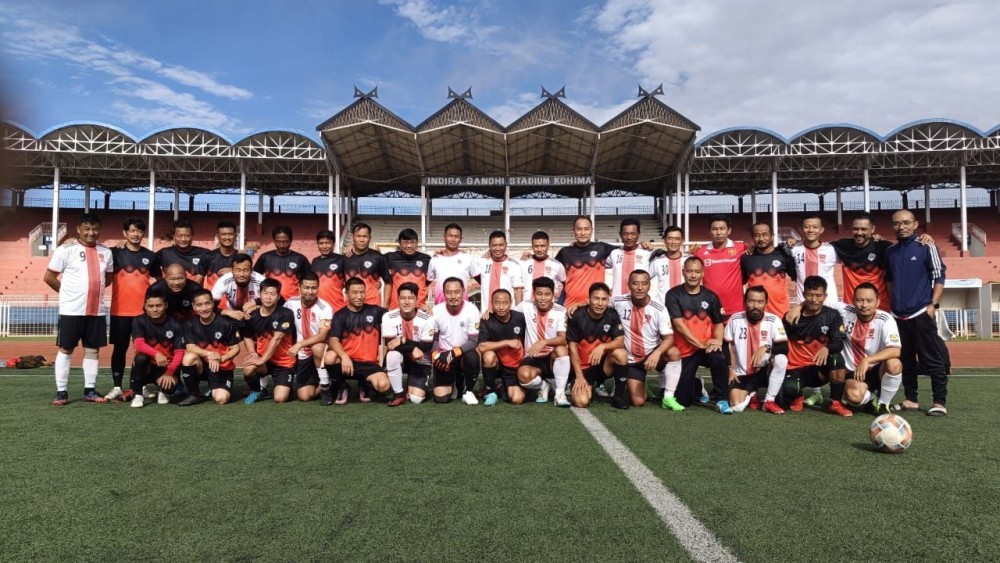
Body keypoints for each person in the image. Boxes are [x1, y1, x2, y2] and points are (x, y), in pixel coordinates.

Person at [44, 213, 114, 405]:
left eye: (95, 229)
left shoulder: (106, 252)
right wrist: (66, 293)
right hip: (71, 311)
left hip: (96, 311)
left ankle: (89, 390)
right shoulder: (65, 249)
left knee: (93, 350)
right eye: (87, 229)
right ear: (79, 230)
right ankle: (61, 391)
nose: (91, 233)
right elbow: (49, 277)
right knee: (66, 348)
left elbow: (108, 279)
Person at [885, 209, 949, 416]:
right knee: (906, 359)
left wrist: (933, 305)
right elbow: (888, 281)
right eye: (897, 223)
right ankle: (911, 399)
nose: (901, 226)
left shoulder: (926, 246)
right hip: (898, 315)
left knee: (932, 359)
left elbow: (939, 277)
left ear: (915, 224)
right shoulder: (891, 252)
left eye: (905, 222)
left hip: (920, 312)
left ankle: (939, 402)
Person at [664, 258, 730, 412]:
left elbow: (719, 323)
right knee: (683, 400)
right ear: (683, 272)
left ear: (702, 273)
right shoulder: (673, 295)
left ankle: (722, 399)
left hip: (706, 348)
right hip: (686, 351)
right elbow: (679, 325)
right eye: (689, 271)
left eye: (697, 272)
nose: (693, 275)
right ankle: (698, 385)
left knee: (719, 358)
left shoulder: (711, 296)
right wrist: (699, 344)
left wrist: (718, 341)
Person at [107, 217, 160, 401]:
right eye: (132, 231)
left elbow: (159, 282)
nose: (136, 234)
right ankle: (116, 386)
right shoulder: (114, 253)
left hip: (142, 314)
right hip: (119, 311)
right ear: (125, 233)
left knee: (143, 352)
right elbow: (94, 249)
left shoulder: (151, 256)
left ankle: (141, 386)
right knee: (119, 349)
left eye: (139, 231)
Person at [780, 276, 849, 415]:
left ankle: (835, 403)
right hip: (796, 368)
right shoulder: (791, 317)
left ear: (825, 296)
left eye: (818, 295)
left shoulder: (832, 315)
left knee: (836, 358)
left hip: (819, 368)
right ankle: (797, 395)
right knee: (788, 391)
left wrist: (827, 348)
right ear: (804, 294)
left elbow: (838, 342)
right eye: (810, 295)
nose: (814, 299)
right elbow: (780, 343)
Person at [612, 270, 678, 410]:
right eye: (635, 283)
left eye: (644, 283)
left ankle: (668, 397)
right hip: (632, 361)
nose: (640, 288)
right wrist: (578, 305)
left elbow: (669, 338)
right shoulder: (618, 301)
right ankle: (642, 385)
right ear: (628, 285)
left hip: (652, 354)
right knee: (638, 402)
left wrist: (657, 353)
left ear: (649, 286)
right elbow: (597, 303)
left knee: (674, 353)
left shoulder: (659, 309)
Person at [324, 277, 394, 405]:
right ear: (346, 293)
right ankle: (341, 385)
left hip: (369, 364)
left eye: (362, 292)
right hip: (348, 363)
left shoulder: (376, 311)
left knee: (383, 386)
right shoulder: (340, 315)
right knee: (329, 357)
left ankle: (365, 385)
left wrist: (420, 310)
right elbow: (333, 340)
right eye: (355, 292)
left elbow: (396, 316)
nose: (359, 296)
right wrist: (344, 356)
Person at [724, 286, 789, 414]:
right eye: (751, 301)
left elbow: (784, 347)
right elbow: (725, 345)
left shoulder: (774, 320)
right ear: (745, 301)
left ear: (766, 303)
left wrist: (766, 347)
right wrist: (729, 368)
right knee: (737, 406)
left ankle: (769, 401)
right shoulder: (735, 319)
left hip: (764, 372)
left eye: (760, 302)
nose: (755, 305)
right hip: (742, 374)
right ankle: (752, 393)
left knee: (781, 359)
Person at [840, 283, 903, 413]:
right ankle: (872, 398)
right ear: (853, 301)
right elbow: (819, 300)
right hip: (853, 372)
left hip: (877, 371)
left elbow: (895, 350)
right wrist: (799, 307)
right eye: (859, 300)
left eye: (869, 301)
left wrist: (867, 360)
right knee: (854, 397)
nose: (864, 305)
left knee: (894, 364)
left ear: (877, 302)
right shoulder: (845, 311)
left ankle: (883, 404)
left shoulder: (886, 319)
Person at [567, 282, 628, 408]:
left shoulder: (612, 314)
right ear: (588, 300)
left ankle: (618, 397)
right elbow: (572, 348)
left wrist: (603, 346)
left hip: (602, 366)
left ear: (608, 301)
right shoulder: (577, 316)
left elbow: (620, 341)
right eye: (596, 298)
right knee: (582, 402)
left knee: (620, 353)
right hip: (583, 368)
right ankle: (588, 386)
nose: (600, 303)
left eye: (604, 299)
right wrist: (578, 376)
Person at [178, 289, 242, 406]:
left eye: (207, 303)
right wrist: (210, 354)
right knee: (188, 357)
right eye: (199, 305)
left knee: (221, 399)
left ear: (213, 303)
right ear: (194, 306)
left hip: (221, 368)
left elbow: (236, 348)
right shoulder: (189, 324)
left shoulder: (226, 323)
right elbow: (190, 347)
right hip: (203, 367)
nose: (204, 308)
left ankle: (213, 388)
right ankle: (195, 394)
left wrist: (222, 358)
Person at [241, 279, 298, 405]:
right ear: (260, 294)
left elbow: (277, 338)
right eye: (265, 293)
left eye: (272, 294)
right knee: (248, 369)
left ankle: (287, 387)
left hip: (283, 362)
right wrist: (253, 353)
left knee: (280, 398)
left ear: (278, 297)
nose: (268, 297)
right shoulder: (253, 315)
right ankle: (258, 391)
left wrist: (262, 359)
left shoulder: (285, 314)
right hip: (264, 361)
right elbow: (247, 336)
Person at [516, 277, 570, 407]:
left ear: (553, 295)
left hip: (552, 358)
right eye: (539, 294)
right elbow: (506, 313)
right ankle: (544, 386)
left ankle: (560, 393)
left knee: (561, 349)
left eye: (547, 294)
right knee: (523, 376)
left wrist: (544, 342)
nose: (543, 298)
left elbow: (562, 338)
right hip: (533, 357)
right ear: (534, 294)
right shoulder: (525, 306)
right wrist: (490, 311)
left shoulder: (561, 311)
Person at [128, 289, 184, 408]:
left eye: (158, 305)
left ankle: (162, 391)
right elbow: (139, 345)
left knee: (170, 388)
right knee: (140, 358)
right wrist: (156, 354)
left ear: (165, 306)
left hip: (166, 367)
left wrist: (169, 373)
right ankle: (138, 395)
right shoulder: (139, 321)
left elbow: (179, 353)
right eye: (151, 306)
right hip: (146, 366)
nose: (154, 309)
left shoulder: (176, 324)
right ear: (145, 306)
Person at [382, 282, 435, 406]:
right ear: (398, 299)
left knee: (416, 399)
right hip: (400, 360)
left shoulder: (427, 318)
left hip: (420, 361)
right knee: (392, 355)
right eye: (403, 298)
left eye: (411, 298)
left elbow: (426, 347)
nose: (407, 302)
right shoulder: (388, 317)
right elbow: (389, 344)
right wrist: (413, 347)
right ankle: (399, 393)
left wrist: (402, 340)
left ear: (417, 300)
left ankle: (414, 386)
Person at [430, 277, 482, 404]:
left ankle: (468, 390)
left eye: (457, 292)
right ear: (443, 293)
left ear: (463, 291)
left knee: (473, 357)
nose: (453, 296)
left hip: (463, 354)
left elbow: (474, 340)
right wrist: (435, 355)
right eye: (449, 292)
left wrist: (453, 353)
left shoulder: (472, 309)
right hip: (444, 356)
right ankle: (454, 384)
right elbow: (435, 339)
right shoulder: (436, 310)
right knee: (441, 398)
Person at [285, 273, 335, 404]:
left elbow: (322, 336)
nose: (310, 291)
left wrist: (300, 344)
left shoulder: (325, 308)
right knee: (304, 396)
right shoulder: (290, 304)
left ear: (318, 288)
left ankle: (325, 387)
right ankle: (331, 382)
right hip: (302, 354)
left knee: (317, 347)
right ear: (299, 287)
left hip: (320, 351)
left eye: (314, 288)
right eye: (306, 287)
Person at [477, 288, 527, 406]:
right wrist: (507, 342)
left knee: (517, 400)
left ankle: (501, 386)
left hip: (517, 366)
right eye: (497, 303)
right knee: (488, 355)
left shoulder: (520, 318)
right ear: (492, 304)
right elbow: (482, 347)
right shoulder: (486, 320)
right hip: (499, 365)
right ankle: (491, 390)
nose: (501, 307)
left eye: (504, 303)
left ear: (510, 303)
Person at [555, 216, 617, 308]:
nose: (583, 233)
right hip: (571, 308)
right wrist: (531, 256)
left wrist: (643, 245)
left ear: (591, 230)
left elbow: (627, 251)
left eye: (586, 229)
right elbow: (549, 267)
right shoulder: (565, 252)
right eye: (579, 229)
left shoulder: (602, 248)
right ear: (573, 231)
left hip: (596, 307)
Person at [692, 215, 747, 318]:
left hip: (736, 309)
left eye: (722, 229)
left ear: (729, 230)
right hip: (711, 307)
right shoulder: (700, 252)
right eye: (714, 229)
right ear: (709, 231)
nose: (718, 233)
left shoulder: (740, 248)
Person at [741, 221, 795, 317]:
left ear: (772, 236)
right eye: (757, 235)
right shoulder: (746, 257)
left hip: (780, 313)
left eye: (765, 235)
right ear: (753, 237)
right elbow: (742, 281)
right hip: (755, 313)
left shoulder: (783, 255)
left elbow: (796, 276)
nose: (761, 239)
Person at [789, 214, 839, 307]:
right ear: (801, 229)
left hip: (828, 304)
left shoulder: (831, 249)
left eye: (815, 227)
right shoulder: (794, 251)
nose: (811, 230)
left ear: (821, 230)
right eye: (807, 227)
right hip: (803, 304)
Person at [428, 223, 481, 305]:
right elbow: (425, 283)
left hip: (462, 310)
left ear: (461, 239)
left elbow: (483, 281)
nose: (453, 239)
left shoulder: (468, 259)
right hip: (440, 309)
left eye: (456, 236)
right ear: (444, 237)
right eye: (450, 236)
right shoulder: (435, 260)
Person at [254, 225, 310, 300]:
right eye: (278, 242)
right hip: (271, 302)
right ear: (274, 241)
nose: (281, 245)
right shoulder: (265, 257)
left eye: (285, 242)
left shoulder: (300, 259)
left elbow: (310, 281)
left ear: (291, 240)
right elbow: (254, 277)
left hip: (292, 303)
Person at [342, 222, 391, 306]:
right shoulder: (345, 258)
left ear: (370, 238)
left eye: (365, 236)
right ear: (353, 237)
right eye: (358, 236)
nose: (361, 240)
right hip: (350, 306)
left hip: (372, 305)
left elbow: (388, 282)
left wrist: (385, 306)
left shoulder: (378, 257)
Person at [211, 253, 265, 323]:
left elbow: (277, 300)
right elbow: (210, 307)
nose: (241, 274)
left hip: (255, 315)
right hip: (231, 314)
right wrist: (227, 312)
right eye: (238, 270)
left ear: (251, 270)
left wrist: (255, 302)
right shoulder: (223, 281)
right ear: (232, 270)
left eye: (245, 270)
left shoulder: (260, 280)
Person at [384, 228, 431, 310]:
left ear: (417, 242)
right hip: (396, 309)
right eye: (405, 242)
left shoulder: (426, 259)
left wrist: (440, 252)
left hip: (419, 308)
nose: (409, 246)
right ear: (399, 243)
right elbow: (372, 259)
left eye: (412, 242)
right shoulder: (389, 257)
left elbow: (428, 282)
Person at [605, 218, 652, 298]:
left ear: (638, 234)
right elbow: (597, 267)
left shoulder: (647, 253)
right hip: (617, 302)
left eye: (633, 234)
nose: (629, 237)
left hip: (638, 302)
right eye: (625, 234)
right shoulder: (614, 254)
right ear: (620, 234)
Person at [478, 230, 524, 309]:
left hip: (507, 316)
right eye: (494, 245)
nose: (498, 248)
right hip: (487, 315)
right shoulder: (481, 263)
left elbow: (518, 291)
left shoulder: (514, 265)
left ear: (506, 245)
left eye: (501, 245)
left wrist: (518, 313)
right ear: (489, 246)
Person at [156, 219, 209, 285]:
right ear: (174, 237)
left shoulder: (203, 254)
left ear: (192, 236)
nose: (183, 239)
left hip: (194, 294)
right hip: (170, 294)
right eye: (179, 236)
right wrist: (161, 283)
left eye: (187, 236)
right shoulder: (164, 253)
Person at [519, 230, 566, 300]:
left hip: (549, 307)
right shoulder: (523, 264)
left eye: (542, 246)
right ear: (532, 246)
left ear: (548, 245)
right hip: (527, 307)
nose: (539, 249)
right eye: (536, 246)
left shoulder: (557, 265)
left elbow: (564, 284)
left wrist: (558, 299)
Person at [648, 225, 689, 305]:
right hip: (664, 308)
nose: (673, 242)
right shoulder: (657, 261)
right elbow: (644, 278)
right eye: (670, 238)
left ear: (682, 241)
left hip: (685, 306)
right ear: (664, 240)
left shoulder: (688, 260)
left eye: (677, 239)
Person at [311, 229, 346, 312]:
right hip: (318, 309)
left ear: (333, 244)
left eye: (327, 243)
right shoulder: (314, 262)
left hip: (337, 308)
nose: (324, 246)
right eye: (321, 243)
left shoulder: (342, 260)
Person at [202, 221, 239, 290]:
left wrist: (234, 271)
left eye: (230, 234)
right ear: (218, 236)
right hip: (213, 298)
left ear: (235, 236)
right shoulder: (208, 256)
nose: (227, 237)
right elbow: (199, 280)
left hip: (233, 299)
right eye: (223, 234)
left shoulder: (241, 258)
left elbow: (249, 278)